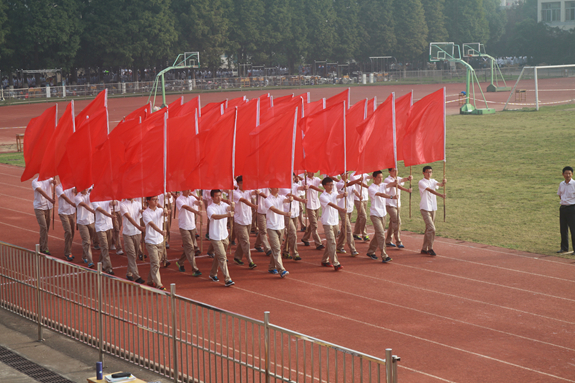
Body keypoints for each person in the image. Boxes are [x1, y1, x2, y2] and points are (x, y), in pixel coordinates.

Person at [207, 190, 235, 286]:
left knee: (219, 256)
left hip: (224, 235)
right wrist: (227, 215)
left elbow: (230, 208)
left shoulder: (223, 205)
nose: (219, 197)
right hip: (215, 236)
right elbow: (215, 216)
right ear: (212, 197)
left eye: (220, 195)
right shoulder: (210, 207)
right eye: (216, 196)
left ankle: (212, 273)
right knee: (223, 257)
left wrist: (232, 205)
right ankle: (227, 279)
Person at [367, 171, 396, 263]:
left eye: (382, 177)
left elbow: (391, 184)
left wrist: (400, 180)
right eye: (379, 177)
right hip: (375, 214)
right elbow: (380, 194)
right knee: (381, 234)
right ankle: (384, 255)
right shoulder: (371, 188)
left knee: (378, 234)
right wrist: (392, 197)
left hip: (383, 214)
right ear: (374, 178)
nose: (381, 179)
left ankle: (371, 251)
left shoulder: (383, 185)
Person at [319, 177, 346, 271]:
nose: (331, 186)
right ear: (324, 186)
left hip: (335, 221)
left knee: (331, 242)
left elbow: (338, 196)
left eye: (332, 185)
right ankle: (336, 263)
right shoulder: (322, 196)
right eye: (329, 185)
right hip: (327, 222)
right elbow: (331, 204)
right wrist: (341, 209)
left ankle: (324, 260)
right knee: (332, 242)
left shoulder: (334, 193)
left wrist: (343, 195)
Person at [142, 196, 169, 290]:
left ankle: (150, 280)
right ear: (148, 201)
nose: (156, 201)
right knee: (155, 263)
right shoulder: (146, 213)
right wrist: (161, 231)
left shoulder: (160, 210)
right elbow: (152, 224)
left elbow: (166, 215)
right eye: (153, 199)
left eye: (157, 199)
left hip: (160, 240)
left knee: (156, 263)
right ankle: (158, 284)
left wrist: (166, 212)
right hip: (151, 241)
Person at [264, 188, 292, 277]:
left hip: (281, 226)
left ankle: (272, 267)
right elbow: (274, 209)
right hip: (272, 227)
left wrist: (290, 199)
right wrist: (285, 213)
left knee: (276, 249)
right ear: (271, 188)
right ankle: (281, 270)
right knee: (276, 249)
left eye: (278, 187)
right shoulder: (267, 200)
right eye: (275, 187)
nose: (278, 189)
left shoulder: (281, 197)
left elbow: (287, 200)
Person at [419, 166, 446, 256]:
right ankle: (430, 248)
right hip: (425, 208)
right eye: (427, 172)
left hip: (433, 208)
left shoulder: (433, 181)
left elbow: (440, 184)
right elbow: (430, 190)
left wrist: (443, 182)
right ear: (423, 173)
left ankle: (424, 248)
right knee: (432, 228)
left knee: (428, 229)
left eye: (430, 172)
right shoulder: (421, 182)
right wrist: (440, 195)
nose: (429, 174)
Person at [175, 190, 203, 276]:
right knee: (190, 247)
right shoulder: (179, 199)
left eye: (189, 189)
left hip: (192, 225)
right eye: (187, 189)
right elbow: (186, 207)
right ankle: (195, 269)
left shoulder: (191, 197)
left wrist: (200, 202)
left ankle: (180, 262)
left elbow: (196, 202)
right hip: (184, 226)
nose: (189, 191)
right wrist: (197, 212)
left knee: (189, 247)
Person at [232, 177, 258, 269]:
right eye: (242, 183)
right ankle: (250, 261)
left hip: (248, 219)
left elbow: (252, 193)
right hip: (239, 221)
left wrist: (257, 191)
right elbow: (243, 200)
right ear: (238, 184)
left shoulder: (248, 191)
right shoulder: (235, 193)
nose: (244, 184)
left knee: (243, 241)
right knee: (246, 241)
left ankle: (237, 257)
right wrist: (253, 206)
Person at [384, 168, 413, 248]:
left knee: (392, 223)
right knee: (397, 221)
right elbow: (396, 185)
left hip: (397, 204)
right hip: (389, 204)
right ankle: (398, 241)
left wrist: (408, 178)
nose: (395, 172)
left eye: (396, 170)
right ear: (389, 171)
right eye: (393, 170)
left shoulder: (397, 178)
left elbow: (402, 180)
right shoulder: (387, 179)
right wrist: (407, 190)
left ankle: (388, 241)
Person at [280, 176, 307, 260]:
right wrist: (301, 200)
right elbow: (291, 196)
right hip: (287, 213)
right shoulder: (283, 187)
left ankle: (285, 251)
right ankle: (295, 253)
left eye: (293, 177)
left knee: (291, 234)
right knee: (293, 233)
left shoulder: (295, 185)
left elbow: (301, 188)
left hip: (295, 213)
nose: (292, 179)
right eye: (290, 177)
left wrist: (305, 187)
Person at [120, 198, 145, 283]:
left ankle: (129, 273)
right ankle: (136, 276)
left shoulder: (138, 203)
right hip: (128, 233)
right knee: (132, 254)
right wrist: (139, 227)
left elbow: (140, 215)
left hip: (137, 233)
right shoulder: (123, 205)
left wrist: (143, 211)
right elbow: (129, 217)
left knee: (135, 254)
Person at [336, 174, 361, 256]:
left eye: (347, 173)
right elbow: (347, 185)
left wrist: (359, 196)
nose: (346, 175)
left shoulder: (351, 182)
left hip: (350, 207)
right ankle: (353, 249)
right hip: (342, 208)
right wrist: (358, 180)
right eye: (344, 173)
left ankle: (339, 247)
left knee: (344, 227)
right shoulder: (339, 183)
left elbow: (354, 190)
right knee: (348, 228)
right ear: (341, 175)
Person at [92, 200, 117, 274]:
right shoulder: (94, 200)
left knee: (106, 247)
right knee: (105, 246)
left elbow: (112, 203)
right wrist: (111, 216)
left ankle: (100, 263)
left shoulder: (107, 198)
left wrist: (113, 202)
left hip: (108, 225)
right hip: (100, 226)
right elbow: (101, 210)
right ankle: (108, 268)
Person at [32, 176, 55, 255]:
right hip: (39, 207)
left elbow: (54, 183)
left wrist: (54, 182)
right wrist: (50, 199)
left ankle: (42, 245)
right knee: (44, 227)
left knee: (46, 228)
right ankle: (45, 248)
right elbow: (40, 191)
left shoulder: (49, 178)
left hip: (48, 207)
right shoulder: (35, 182)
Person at [302, 171, 325, 250]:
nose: (313, 173)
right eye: (311, 172)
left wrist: (327, 178)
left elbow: (322, 182)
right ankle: (318, 243)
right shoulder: (304, 180)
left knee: (312, 223)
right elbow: (311, 186)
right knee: (314, 224)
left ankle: (305, 238)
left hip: (316, 204)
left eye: (313, 172)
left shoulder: (316, 179)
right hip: (309, 205)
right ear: (307, 172)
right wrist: (322, 190)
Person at [55, 182, 76, 261]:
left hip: (72, 212)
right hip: (63, 212)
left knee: (72, 232)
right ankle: (67, 252)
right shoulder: (59, 187)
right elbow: (64, 197)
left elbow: (75, 191)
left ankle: (69, 250)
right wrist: (72, 203)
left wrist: (77, 189)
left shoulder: (72, 185)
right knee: (68, 231)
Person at [75, 189, 96, 267]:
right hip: (82, 222)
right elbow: (84, 205)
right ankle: (90, 261)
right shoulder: (77, 197)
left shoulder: (90, 194)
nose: (86, 188)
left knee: (89, 240)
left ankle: (84, 256)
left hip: (91, 220)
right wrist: (92, 211)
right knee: (86, 241)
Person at [557, 166, 575, 254]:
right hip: (563, 208)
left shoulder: (574, 184)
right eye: (566, 173)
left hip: (572, 208)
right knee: (563, 229)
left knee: (573, 229)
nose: (568, 175)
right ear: (563, 174)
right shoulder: (561, 184)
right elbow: (560, 194)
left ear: (572, 174)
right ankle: (564, 248)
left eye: (569, 173)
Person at [351, 172, 371, 242]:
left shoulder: (364, 173)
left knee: (360, 216)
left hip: (365, 198)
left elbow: (370, 177)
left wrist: (376, 171)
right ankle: (364, 235)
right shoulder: (352, 175)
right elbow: (359, 183)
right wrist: (369, 187)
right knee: (363, 216)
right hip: (358, 198)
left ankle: (356, 234)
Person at [254, 188, 272, 256]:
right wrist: (270, 199)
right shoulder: (258, 185)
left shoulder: (269, 184)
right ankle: (267, 249)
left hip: (268, 210)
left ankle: (257, 244)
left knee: (263, 229)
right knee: (263, 230)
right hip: (260, 211)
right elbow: (260, 193)